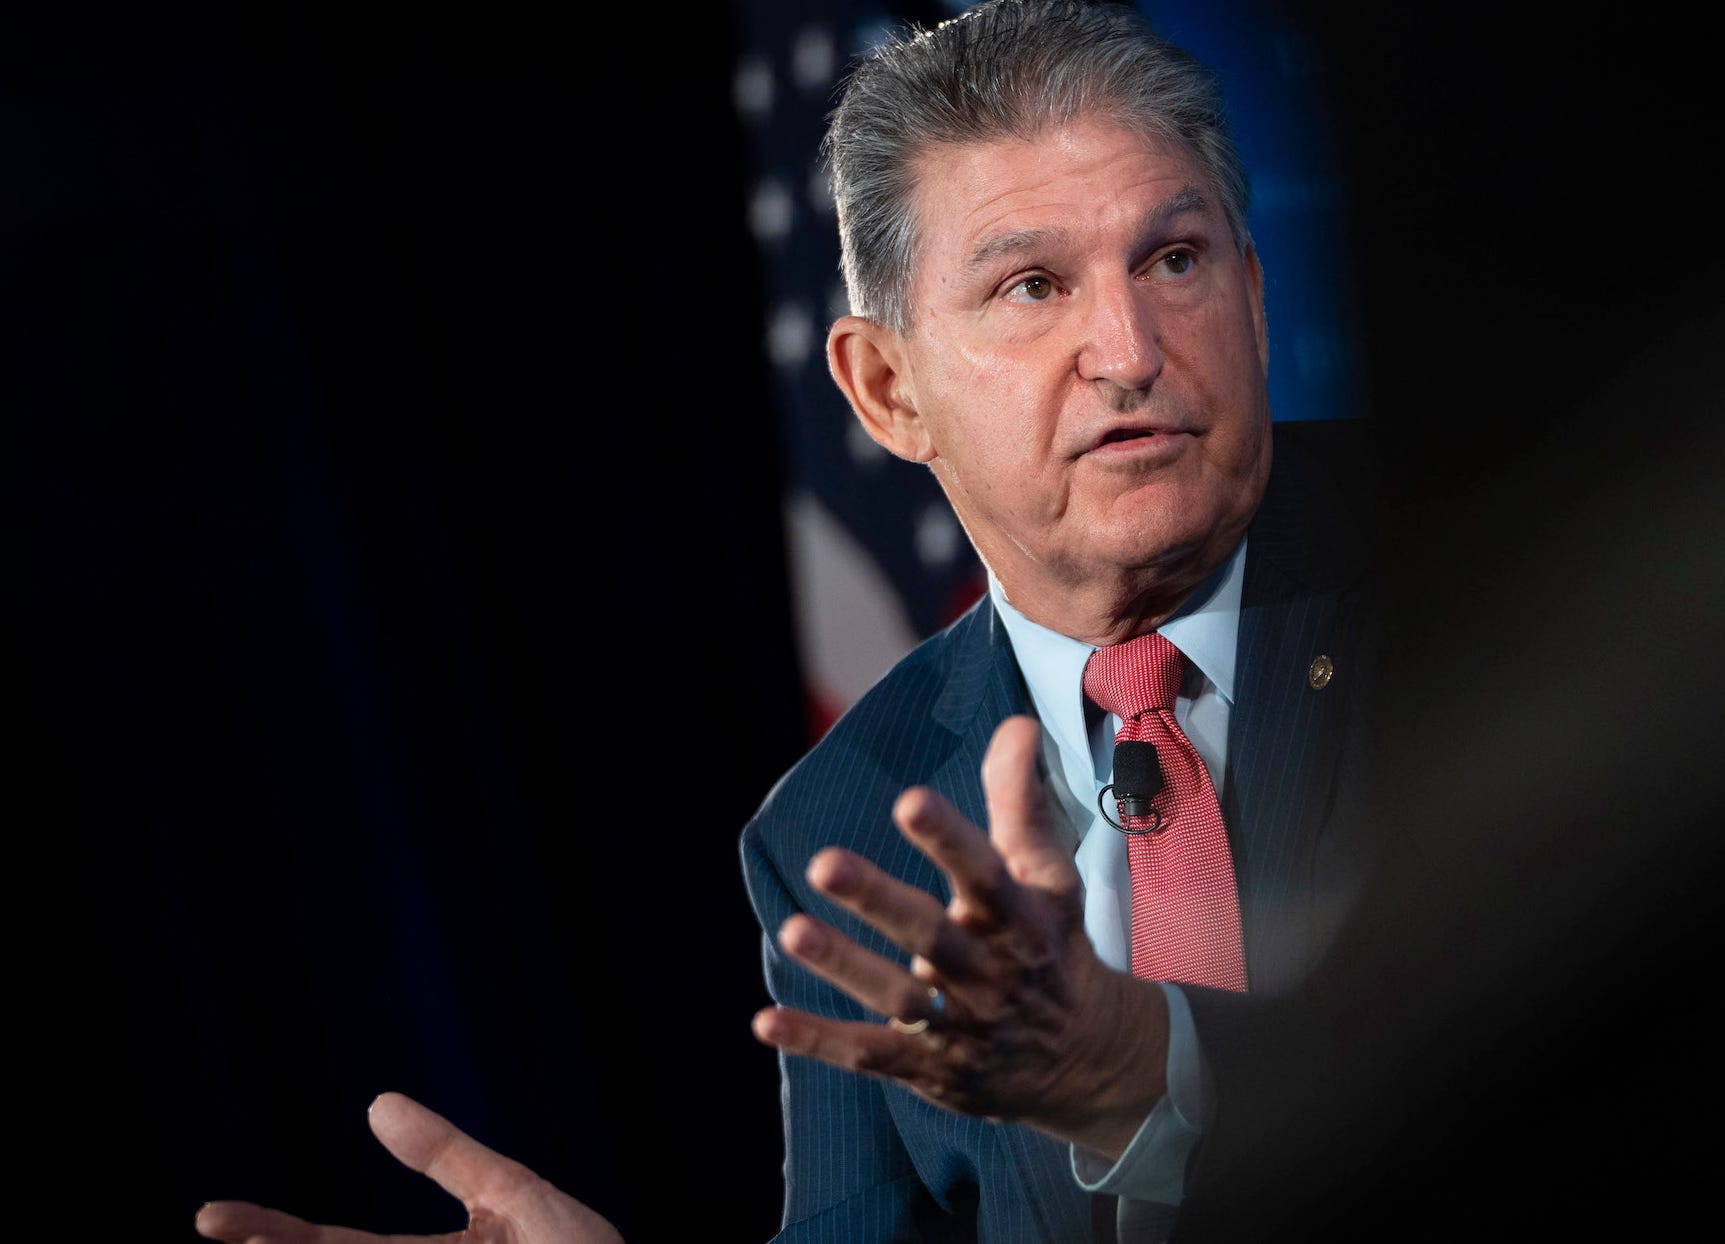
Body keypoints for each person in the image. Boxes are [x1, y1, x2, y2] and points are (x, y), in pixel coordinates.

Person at [201, 3, 1376, 1241]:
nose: (1128, 348)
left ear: (1250, 291)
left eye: (1173, 258)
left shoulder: (1464, 533)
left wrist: (1148, 1074)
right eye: (1031, 284)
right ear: (887, 389)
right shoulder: (840, 819)